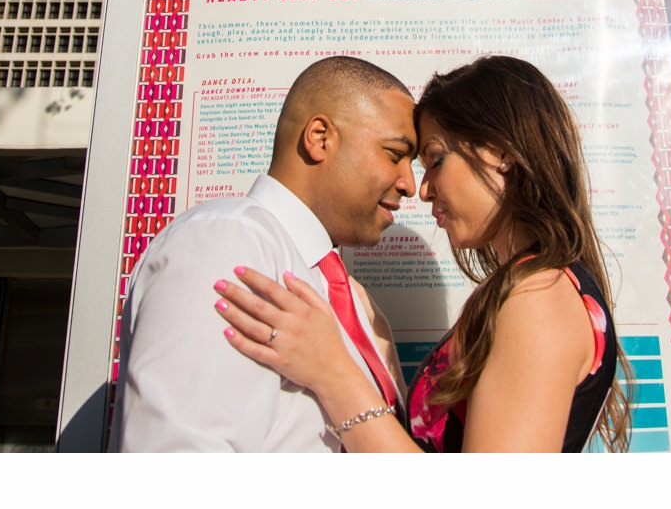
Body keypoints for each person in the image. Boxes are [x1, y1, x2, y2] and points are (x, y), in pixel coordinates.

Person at [215, 55, 629, 452]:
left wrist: (333, 372)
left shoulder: (538, 298)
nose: (422, 188)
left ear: (501, 153)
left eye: (434, 159)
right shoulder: (536, 290)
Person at [110, 55, 417, 451]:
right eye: (395, 154)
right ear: (320, 137)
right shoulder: (227, 241)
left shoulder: (349, 296)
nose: (410, 184)